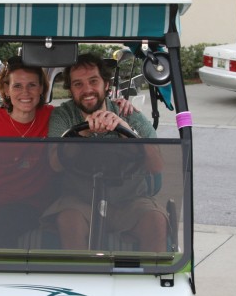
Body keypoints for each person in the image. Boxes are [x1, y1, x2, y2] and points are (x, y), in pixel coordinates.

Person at [0, 56, 135, 249]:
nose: (25, 92)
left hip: (27, 203)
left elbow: (87, 110)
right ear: (6, 90)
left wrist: (118, 104)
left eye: (32, 85)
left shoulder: (54, 117)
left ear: (42, 89)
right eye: (17, 86)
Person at [44, 53, 168, 252]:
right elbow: (55, 164)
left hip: (129, 200)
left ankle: (152, 278)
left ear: (106, 85)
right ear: (71, 90)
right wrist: (82, 132)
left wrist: (125, 129)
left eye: (93, 81)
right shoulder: (63, 115)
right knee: (69, 220)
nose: (87, 90)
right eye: (78, 84)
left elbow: (157, 165)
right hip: (80, 200)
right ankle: (79, 279)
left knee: (156, 220)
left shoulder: (128, 113)